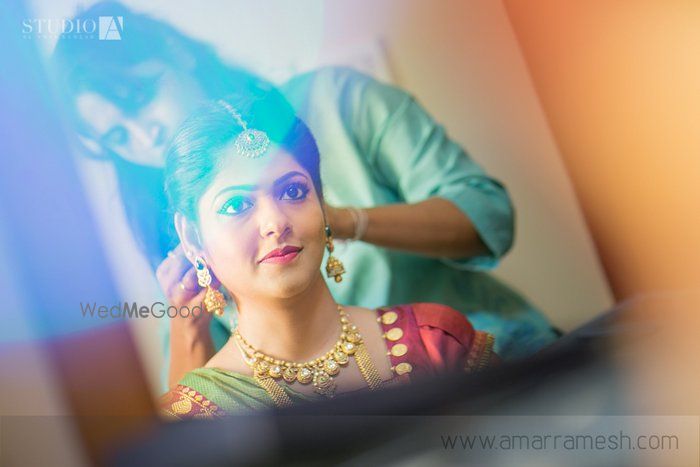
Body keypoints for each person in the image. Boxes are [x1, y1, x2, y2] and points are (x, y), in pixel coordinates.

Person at [51, 2, 557, 392]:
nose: (146, 137)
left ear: (177, 52)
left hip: (496, 367)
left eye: (140, 98)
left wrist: (337, 220)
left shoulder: (337, 101)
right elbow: (199, 422)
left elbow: (487, 216)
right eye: (119, 138)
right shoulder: (185, 226)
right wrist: (187, 324)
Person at [158, 92, 497, 417]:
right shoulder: (198, 414)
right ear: (192, 237)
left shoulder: (434, 340)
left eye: (293, 191)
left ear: (321, 205)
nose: (275, 222)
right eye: (236, 204)